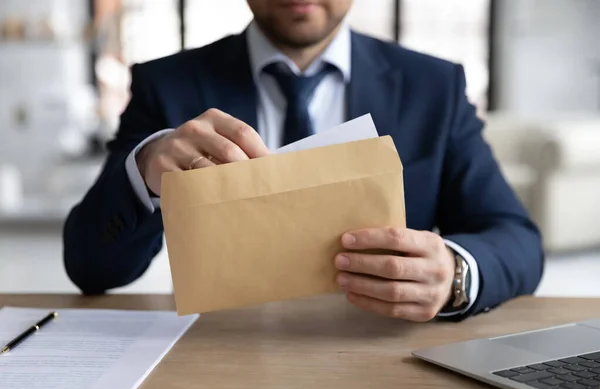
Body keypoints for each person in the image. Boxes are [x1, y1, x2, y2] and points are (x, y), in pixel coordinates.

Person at [63, 0, 543, 322]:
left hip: (384, 354)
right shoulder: (166, 85)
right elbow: (90, 268)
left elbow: (515, 238)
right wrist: (144, 169)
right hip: (219, 355)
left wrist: (456, 273)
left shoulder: (432, 87)